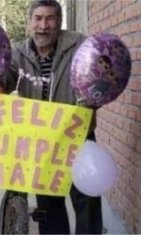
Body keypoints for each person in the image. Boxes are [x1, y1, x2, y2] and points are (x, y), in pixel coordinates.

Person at [0, 0, 102, 234]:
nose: (43, 25)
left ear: (59, 22)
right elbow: (6, 79)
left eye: (49, 18)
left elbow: (96, 82)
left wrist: (91, 101)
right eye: (37, 18)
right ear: (29, 23)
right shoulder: (18, 52)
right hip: (41, 142)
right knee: (49, 205)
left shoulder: (80, 46)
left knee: (87, 199)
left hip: (77, 136)